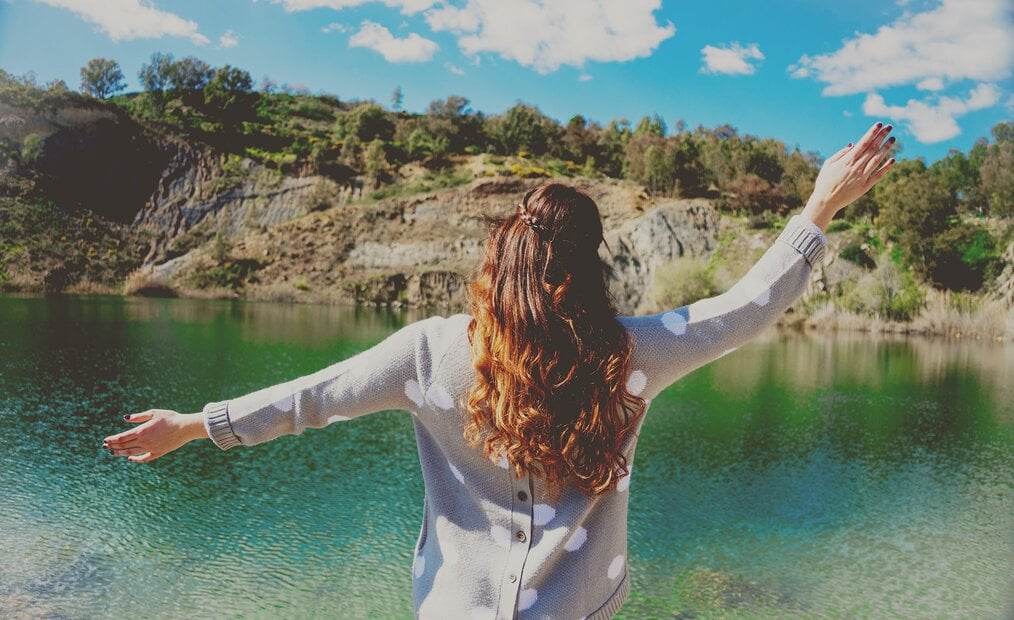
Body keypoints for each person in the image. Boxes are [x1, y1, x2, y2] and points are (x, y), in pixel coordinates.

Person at [104, 122, 897, 618]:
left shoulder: (430, 352)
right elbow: (742, 311)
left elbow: (312, 399)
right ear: (588, 268)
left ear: (498, 260)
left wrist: (195, 426)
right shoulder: (628, 355)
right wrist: (818, 208)